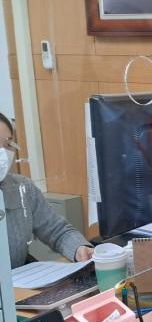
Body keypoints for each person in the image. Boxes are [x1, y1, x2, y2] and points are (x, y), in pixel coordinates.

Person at [0, 113, 93, 269]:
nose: (3, 153)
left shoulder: (22, 188)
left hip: (21, 281)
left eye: (8, 144)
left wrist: (78, 248)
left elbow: (57, 230)